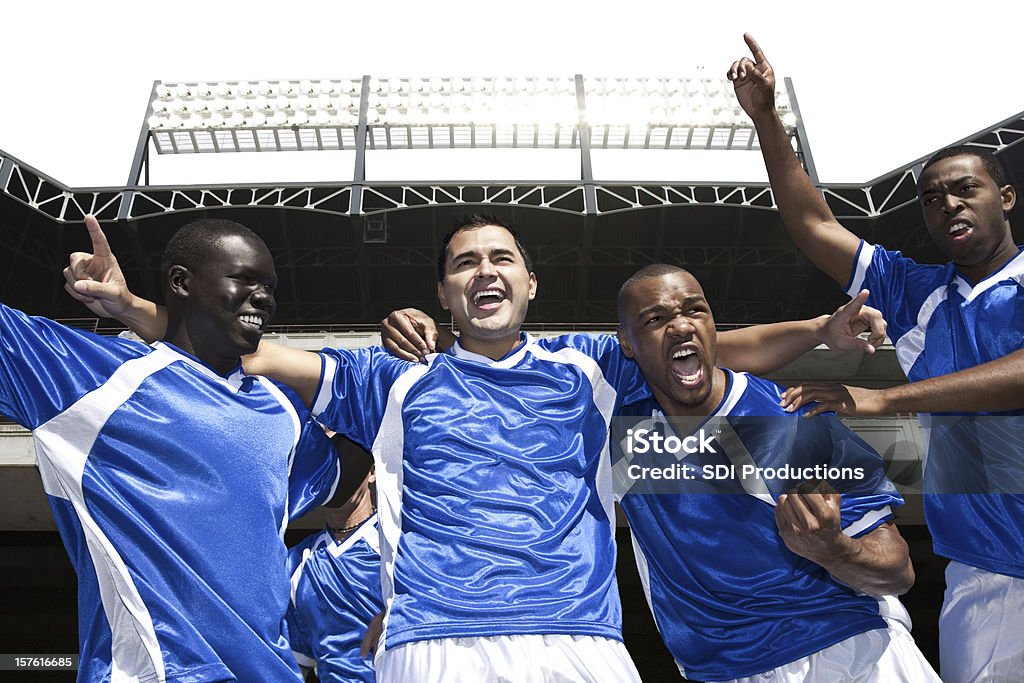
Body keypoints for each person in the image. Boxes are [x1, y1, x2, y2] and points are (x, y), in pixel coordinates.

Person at [66, 213, 886, 683]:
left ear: (530, 284)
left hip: (579, 641)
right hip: (435, 642)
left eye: (502, 258)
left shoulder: (594, 366)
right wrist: (130, 303)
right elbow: (238, 352)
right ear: (443, 293)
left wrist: (824, 330)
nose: (484, 270)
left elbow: (707, 345)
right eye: (464, 262)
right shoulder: (390, 375)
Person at [729, 33, 1024, 681]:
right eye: (932, 195)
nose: (947, 202)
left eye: (965, 187)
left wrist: (887, 399)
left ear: (1005, 196)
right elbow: (813, 224)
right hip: (986, 573)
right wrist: (765, 119)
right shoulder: (916, 292)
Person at [4, 216, 342, 682]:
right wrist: (128, 309)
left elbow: (361, 463)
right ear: (181, 282)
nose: (263, 297)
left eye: (270, 285)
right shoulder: (95, 377)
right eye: (244, 279)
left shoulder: (281, 409)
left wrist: (432, 347)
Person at [613, 263, 939, 682]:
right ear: (626, 341)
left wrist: (832, 548)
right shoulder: (616, 427)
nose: (680, 327)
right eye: (656, 319)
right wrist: (818, 329)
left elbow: (898, 569)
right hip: (724, 671)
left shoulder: (793, 420)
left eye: (695, 311)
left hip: (850, 650)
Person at [286, 437, 382, 682]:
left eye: (347, 463)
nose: (339, 476)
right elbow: (298, 663)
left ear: (372, 471)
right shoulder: (297, 561)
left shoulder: (396, 549)